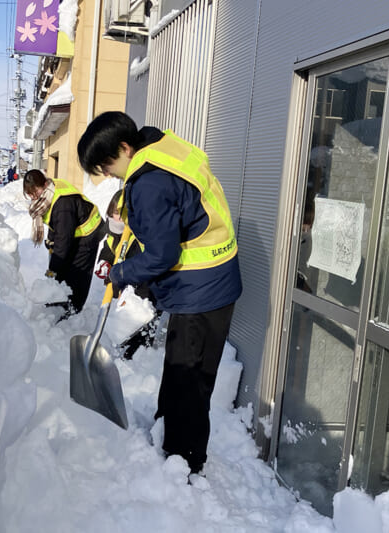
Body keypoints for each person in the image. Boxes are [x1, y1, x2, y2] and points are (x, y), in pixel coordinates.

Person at [77, 111, 242, 476]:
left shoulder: (150, 183)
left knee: (190, 379)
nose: (107, 174)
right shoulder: (160, 147)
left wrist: (122, 272)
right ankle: (167, 431)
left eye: (106, 164)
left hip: (202, 290)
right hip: (208, 280)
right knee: (179, 368)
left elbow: (162, 254)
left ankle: (183, 463)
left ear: (124, 146)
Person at [24, 169, 104, 320]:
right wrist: (50, 239)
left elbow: (63, 242)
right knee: (64, 266)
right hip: (73, 228)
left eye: (35, 191)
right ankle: (61, 300)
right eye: (29, 193)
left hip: (89, 232)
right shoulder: (47, 196)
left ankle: (73, 310)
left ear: (44, 184)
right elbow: (56, 224)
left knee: (77, 271)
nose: (32, 196)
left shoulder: (63, 205)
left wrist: (53, 271)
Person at [95, 189, 162, 360]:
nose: (116, 219)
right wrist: (104, 263)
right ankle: (125, 352)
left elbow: (142, 266)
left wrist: (121, 274)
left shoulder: (139, 238)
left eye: (119, 215)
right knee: (126, 324)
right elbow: (108, 251)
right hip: (125, 289)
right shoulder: (112, 233)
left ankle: (141, 357)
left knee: (141, 324)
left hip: (145, 290)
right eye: (113, 214)